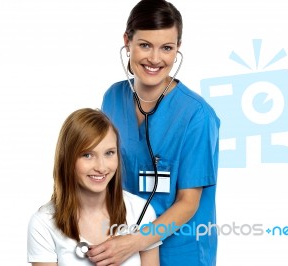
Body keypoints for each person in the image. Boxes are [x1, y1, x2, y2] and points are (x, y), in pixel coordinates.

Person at [87, 0, 220, 265]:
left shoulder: (197, 116)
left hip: (180, 249)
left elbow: (188, 202)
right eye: (145, 45)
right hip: (120, 243)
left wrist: (133, 242)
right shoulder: (113, 98)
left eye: (167, 48)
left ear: (177, 49)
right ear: (127, 41)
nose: (155, 59)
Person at [27, 108, 161, 266]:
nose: (101, 167)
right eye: (87, 155)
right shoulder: (43, 223)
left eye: (109, 153)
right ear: (67, 158)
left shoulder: (141, 211)